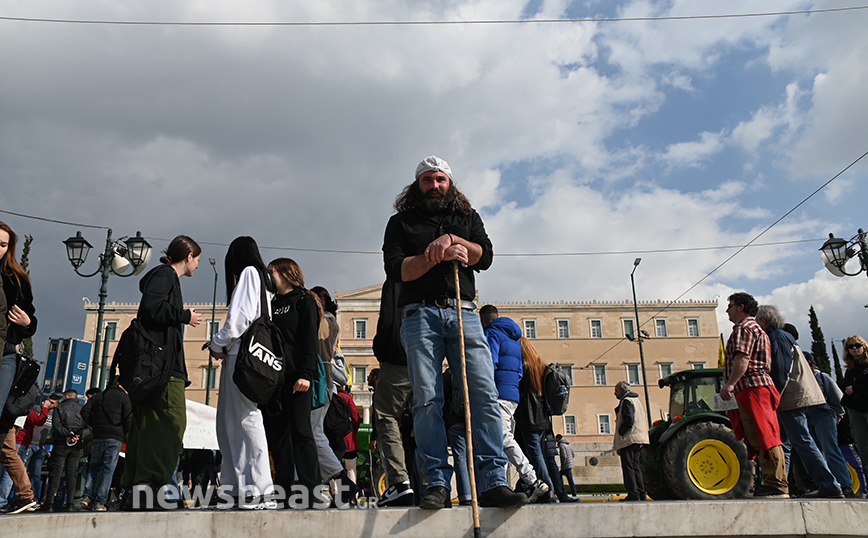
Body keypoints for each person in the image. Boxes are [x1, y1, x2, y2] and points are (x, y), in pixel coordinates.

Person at [382, 155, 527, 509]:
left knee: (482, 394)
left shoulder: (466, 217)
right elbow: (396, 270)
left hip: (463, 311)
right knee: (427, 399)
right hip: (419, 314)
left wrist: (457, 242)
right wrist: (433, 256)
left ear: (450, 182)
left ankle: (493, 480)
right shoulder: (399, 223)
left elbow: (485, 255)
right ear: (417, 185)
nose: (435, 186)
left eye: (440, 180)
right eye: (428, 180)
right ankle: (435, 482)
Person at [121, 235, 202, 510]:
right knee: (172, 423)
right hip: (164, 369)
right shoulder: (167, 275)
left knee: (148, 427)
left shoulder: (163, 276)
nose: (198, 266)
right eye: (198, 260)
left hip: (151, 368)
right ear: (189, 256)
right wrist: (184, 315)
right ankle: (155, 489)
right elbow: (151, 308)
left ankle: (138, 490)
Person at [209, 236, 276, 510]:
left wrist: (217, 343)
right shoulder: (265, 279)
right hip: (250, 356)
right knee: (232, 422)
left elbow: (240, 319)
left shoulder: (249, 273)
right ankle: (238, 488)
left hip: (240, 355)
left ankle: (258, 489)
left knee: (244, 420)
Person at [756, 305, 843, 498]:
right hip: (792, 397)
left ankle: (829, 484)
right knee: (787, 444)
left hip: (789, 398)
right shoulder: (784, 336)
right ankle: (780, 486)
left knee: (802, 441)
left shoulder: (777, 337)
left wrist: (773, 396)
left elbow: (780, 369)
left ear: (763, 321)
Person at [262, 257, 321, 508]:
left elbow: (309, 341)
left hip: (298, 377)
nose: (269, 277)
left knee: (301, 433)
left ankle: (311, 491)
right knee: (278, 437)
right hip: (274, 380)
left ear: (285, 273)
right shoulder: (270, 303)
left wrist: (306, 374)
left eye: (271, 272)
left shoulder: (304, 301)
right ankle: (283, 490)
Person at [720, 293, 788, 498]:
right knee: (759, 435)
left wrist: (730, 384)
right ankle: (771, 481)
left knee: (765, 435)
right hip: (752, 387)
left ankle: (777, 484)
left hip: (753, 387)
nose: (727, 310)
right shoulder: (753, 329)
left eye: (730, 306)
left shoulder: (745, 328)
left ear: (741, 307)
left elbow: (743, 358)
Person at [480, 306, 549, 503]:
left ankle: (532, 479)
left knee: (503, 439)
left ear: (482, 320)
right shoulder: (514, 339)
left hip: (497, 393)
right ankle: (499, 486)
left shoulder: (491, 333)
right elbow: (519, 370)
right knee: (499, 442)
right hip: (512, 396)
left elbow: (489, 363)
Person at [0, 221, 40, 514]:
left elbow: (32, 321)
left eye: (3, 245)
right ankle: (25, 494)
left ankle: (25, 494)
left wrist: (27, 323)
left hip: (5, 356)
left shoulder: (16, 279)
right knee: (4, 438)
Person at [308, 285, 359, 507]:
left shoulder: (324, 321)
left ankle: (340, 480)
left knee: (313, 432)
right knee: (314, 432)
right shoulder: (330, 320)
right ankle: (335, 482)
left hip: (320, 381)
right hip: (324, 381)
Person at [372, 279, 416, 507]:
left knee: (386, 415)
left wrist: (381, 350)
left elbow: (388, 317)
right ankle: (436, 483)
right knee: (426, 418)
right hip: (428, 357)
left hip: (399, 355)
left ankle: (399, 483)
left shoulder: (397, 278)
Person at [804, 352, 855, 497]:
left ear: (809, 362)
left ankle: (846, 485)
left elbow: (838, 398)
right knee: (815, 453)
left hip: (822, 414)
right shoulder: (797, 378)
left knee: (830, 450)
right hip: (806, 416)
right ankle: (825, 485)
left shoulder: (821, 376)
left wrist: (837, 415)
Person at [515, 337, 557, 502]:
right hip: (541, 417)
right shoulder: (540, 365)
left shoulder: (524, 367)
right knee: (535, 453)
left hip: (529, 417)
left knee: (534, 454)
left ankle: (546, 489)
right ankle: (536, 487)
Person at [81, 380, 132, 511]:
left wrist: (95, 425)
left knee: (94, 467)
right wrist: (126, 434)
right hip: (115, 437)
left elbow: (84, 412)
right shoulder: (124, 397)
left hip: (98, 436)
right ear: (120, 385)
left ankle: (86, 496)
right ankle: (99, 501)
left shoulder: (98, 396)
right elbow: (128, 419)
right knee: (108, 469)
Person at [42, 390, 91, 511]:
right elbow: (89, 427)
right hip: (77, 445)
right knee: (72, 473)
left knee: (56, 472)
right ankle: (70, 503)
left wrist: (68, 434)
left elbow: (57, 426)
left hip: (61, 444)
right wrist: (79, 435)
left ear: (66, 396)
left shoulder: (60, 408)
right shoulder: (83, 409)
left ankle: (49, 503)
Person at [613, 381, 648, 501]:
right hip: (638, 438)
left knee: (628, 467)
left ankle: (633, 493)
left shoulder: (627, 401)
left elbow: (629, 419)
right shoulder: (636, 400)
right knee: (635, 466)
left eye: (616, 390)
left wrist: (621, 432)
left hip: (629, 438)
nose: (615, 393)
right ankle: (641, 493)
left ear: (623, 391)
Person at [842, 335, 868, 464]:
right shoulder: (850, 370)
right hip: (855, 411)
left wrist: (856, 388)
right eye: (850, 347)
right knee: (863, 450)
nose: (855, 349)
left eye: (858, 345)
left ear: (864, 346)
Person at [337, 386, 361, 484]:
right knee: (351, 469)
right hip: (348, 437)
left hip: (332, 437)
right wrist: (355, 428)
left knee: (334, 469)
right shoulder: (347, 398)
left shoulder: (328, 396)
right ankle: (352, 495)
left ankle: (336, 493)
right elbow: (355, 415)